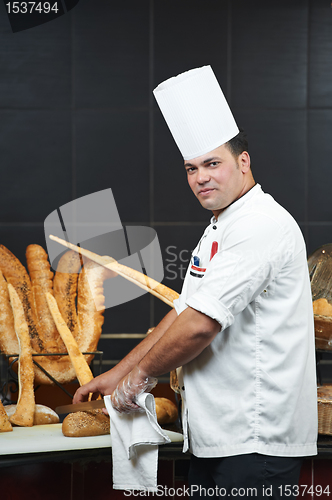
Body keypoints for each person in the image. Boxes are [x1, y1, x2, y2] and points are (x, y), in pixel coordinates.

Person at [73, 66, 318, 499]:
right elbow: (185, 310)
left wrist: (142, 376)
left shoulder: (259, 224)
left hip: (256, 441)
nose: (200, 176)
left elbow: (201, 325)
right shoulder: (222, 225)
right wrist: (119, 373)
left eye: (212, 164)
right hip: (219, 437)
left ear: (243, 162)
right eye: (191, 168)